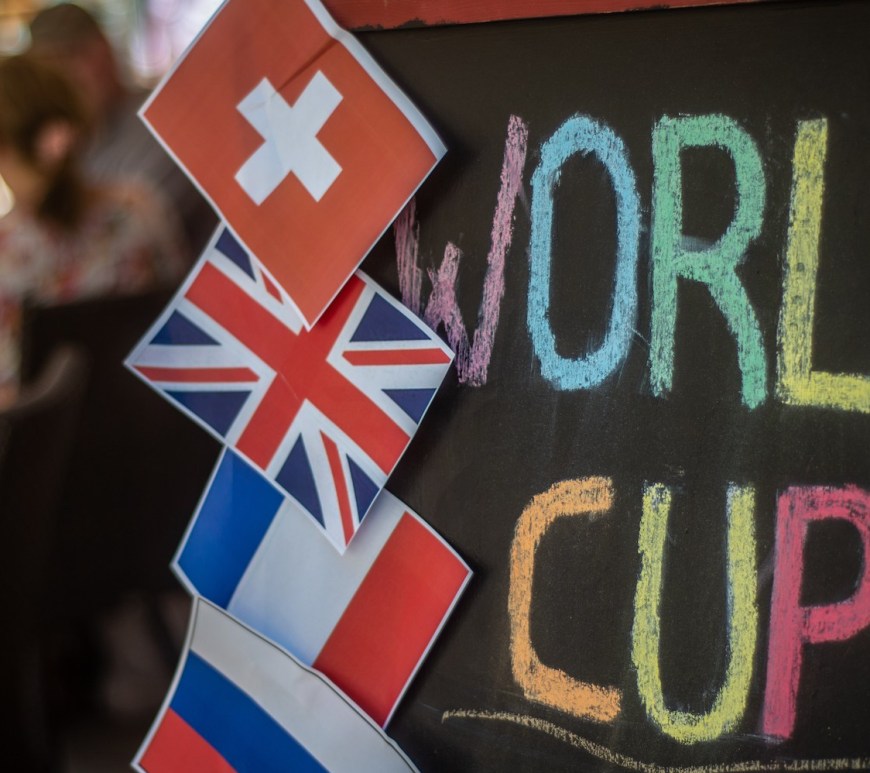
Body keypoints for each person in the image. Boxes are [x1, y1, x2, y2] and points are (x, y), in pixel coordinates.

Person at [0, 54, 185, 405]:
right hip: (158, 421)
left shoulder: (7, 252)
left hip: (56, 440)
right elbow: (186, 333)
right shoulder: (138, 209)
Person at [29, 2, 216, 258]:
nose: (67, 80)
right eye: (52, 73)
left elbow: (139, 228)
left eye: (72, 56)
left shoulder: (163, 116)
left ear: (103, 48)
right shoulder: (68, 152)